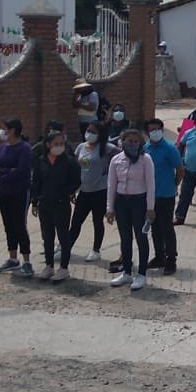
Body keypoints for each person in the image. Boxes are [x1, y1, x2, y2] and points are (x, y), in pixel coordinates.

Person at [106, 129, 156, 291]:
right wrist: (110, 208)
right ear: (122, 142)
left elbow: (151, 185)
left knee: (141, 237)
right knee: (125, 238)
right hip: (122, 202)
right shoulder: (116, 160)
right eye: (129, 141)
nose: (132, 144)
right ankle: (127, 271)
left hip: (139, 202)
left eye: (136, 141)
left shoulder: (145, 159)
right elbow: (111, 185)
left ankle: (141, 274)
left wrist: (150, 208)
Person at [30, 130, 80, 282]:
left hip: (61, 204)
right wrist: (34, 202)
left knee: (63, 236)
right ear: (48, 145)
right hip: (45, 204)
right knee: (47, 236)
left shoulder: (69, 162)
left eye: (61, 144)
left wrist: (67, 193)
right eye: (55, 144)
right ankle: (49, 266)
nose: (59, 147)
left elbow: (76, 181)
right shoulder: (41, 161)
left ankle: (63, 268)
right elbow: (36, 182)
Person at [68, 121, 117, 263]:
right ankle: (66, 247)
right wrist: (73, 189)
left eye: (94, 132)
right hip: (84, 191)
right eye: (88, 130)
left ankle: (96, 250)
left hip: (100, 191)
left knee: (97, 221)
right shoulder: (81, 147)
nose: (90, 134)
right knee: (76, 221)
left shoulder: (107, 148)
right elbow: (77, 169)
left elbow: (121, 156)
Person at [0, 118, 34, 277]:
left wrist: (6, 173)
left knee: (19, 225)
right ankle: (13, 258)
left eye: (5, 129)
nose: (2, 132)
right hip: (3, 191)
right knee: (8, 225)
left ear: (13, 130)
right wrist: (1, 172)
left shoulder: (24, 148)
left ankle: (27, 260)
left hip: (19, 191)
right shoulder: (3, 147)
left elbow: (21, 170)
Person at [144, 118, 183, 275]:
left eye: (157, 129)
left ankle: (171, 260)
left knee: (167, 227)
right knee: (154, 228)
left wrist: (174, 184)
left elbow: (180, 169)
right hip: (150, 196)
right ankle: (159, 256)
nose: (154, 132)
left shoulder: (169, 148)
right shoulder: (146, 148)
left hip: (166, 194)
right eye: (151, 130)